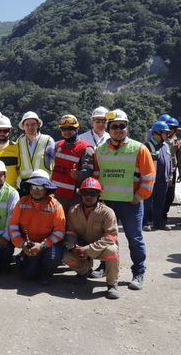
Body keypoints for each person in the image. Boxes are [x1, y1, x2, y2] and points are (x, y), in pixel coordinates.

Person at [93, 109, 155, 290]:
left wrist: (138, 197)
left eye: (122, 126)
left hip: (131, 203)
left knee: (134, 239)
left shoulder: (139, 148)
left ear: (127, 127)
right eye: (114, 127)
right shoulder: (101, 150)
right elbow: (97, 175)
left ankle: (138, 273)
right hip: (107, 203)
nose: (118, 130)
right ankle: (104, 266)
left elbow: (149, 177)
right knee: (106, 238)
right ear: (108, 128)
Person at [62, 178, 120, 299]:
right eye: (85, 193)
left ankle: (112, 284)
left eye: (92, 193)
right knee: (66, 256)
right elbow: (70, 232)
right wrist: (73, 248)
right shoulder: (73, 211)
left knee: (112, 251)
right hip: (82, 247)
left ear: (98, 195)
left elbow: (111, 236)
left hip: (101, 248)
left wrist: (88, 249)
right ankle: (84, 272)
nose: (88, 196)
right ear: (81, 195)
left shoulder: (107, 212)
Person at [9, 170, 65, 284]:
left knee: (53, 254)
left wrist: (43, 245)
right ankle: (27, 260)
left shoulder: (56, 206)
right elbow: (13, 226)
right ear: (29, 188)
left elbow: (59, 232)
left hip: (48, 245)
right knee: (28, 276)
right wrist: (22, 244)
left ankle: (46, 275)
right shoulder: (22, 203)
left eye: (40, 187)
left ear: (46, 189)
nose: (36, 191)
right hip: (29, 244)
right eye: (33, 187)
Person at [52, 114, 94, 213]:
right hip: (56, 194)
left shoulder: (86, 148)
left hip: (74, 197)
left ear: (77, 128)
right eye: (64, 129)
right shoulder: (57, 145)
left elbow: (89, 172)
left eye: (70, 128)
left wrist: (78, 175)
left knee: (73, 227)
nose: (67, 132)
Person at [143, 121, 173, 231]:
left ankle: (158, 224)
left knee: (160, 203)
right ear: (157, 133)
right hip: (151, 181)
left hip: (163, 181)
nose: (167, 135)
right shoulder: (147, 146)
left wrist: (170, 176)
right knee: (147, 203)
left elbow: (169, 162)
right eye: (165, 133)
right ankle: (145, 223)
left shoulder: (166, 146)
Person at [17, 111, 55, 186]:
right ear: (23, 127)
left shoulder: (47, 140)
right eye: (27, 124)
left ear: (38, 125)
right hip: (25, 182)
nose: (30, 127)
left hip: (43, 180)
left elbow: (55, 160)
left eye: (33, 124)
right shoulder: (19, 141)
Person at [163, 117, 180, 224]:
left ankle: (164, 213)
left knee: (170, 195)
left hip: (172, 171)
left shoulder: (176, 142)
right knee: (159, 195)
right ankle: (157, 215)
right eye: (169, 128)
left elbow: (179, 158)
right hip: (160, 171)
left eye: (173, 128)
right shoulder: (157, 140)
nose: (171, 130)